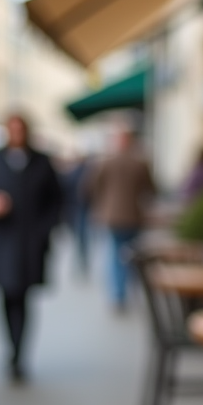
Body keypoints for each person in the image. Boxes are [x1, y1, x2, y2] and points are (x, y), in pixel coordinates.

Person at [0, 113, 63, 380]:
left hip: (30, 243)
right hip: (0, 242)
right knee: (6, 296)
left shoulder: (42, 162)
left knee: (23, 298)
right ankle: (10, 348)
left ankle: (19, 353)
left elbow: (57, 201)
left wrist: (44, 230)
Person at [86, 128, 155, 311]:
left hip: (112, 216)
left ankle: (118, 294)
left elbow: (91, 187)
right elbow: (150, 189)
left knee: (115, 254)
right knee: (130, 254)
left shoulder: (105, 163)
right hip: (133, 215)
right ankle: (127, 290)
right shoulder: (140, 163)